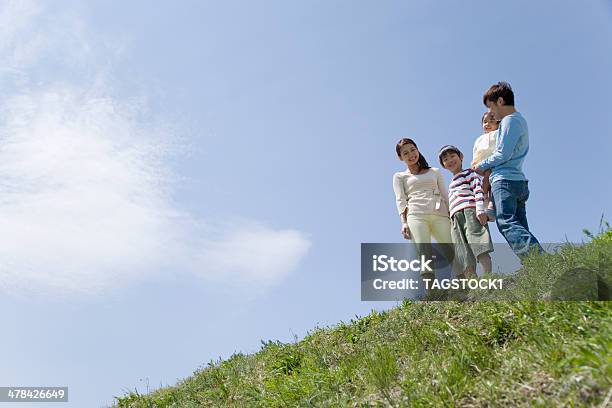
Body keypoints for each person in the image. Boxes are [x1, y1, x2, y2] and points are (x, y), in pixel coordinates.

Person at [472, 82, 543, 257]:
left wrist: (481, 167)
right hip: (518, 180)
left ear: (500, 101)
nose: (491, 113)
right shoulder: (520, 121)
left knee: (506, 222)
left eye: (491, 107)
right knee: (520, 225)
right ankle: (535, 265)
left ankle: (541, 259)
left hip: (504, 181)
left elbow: (502, 154)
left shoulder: (510, 121)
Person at [392, 138, 453, 282]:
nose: (411, 154)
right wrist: (404, 222)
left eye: (413, 150)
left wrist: (453, 213)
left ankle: (465, 283)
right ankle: (431, 293)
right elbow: (400, 200)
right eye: (405, 153)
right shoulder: (399, 176)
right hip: (416, 216)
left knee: (452, 248)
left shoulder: (435, 171)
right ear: (400, 157)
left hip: (440, 214)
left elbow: (445, 194)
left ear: (418, 150)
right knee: (424, 254)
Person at [439, 145, 493, 277]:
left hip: (470, 210)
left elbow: (478, 189)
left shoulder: (469, 172)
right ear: (443, 165)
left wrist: (480, 209)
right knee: (462, 251)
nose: (450, 160)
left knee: (479, 243)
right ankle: (472, 284)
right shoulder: (451, 183)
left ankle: (487, 277)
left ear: (461, 157)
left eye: (452, 156)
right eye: (446, 159)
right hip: (455, 217)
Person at [471, 111, 500, 222]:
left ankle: (488, 201)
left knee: (490, 181)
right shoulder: (479, 139)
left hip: (495, 163)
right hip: (482, 165)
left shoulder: (498, 133)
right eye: (485, 122)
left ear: (497, 123)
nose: (487, 124)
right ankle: (484, 198)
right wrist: (474, 163)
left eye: (491, 121)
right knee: (486, 178)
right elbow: (476, 151)